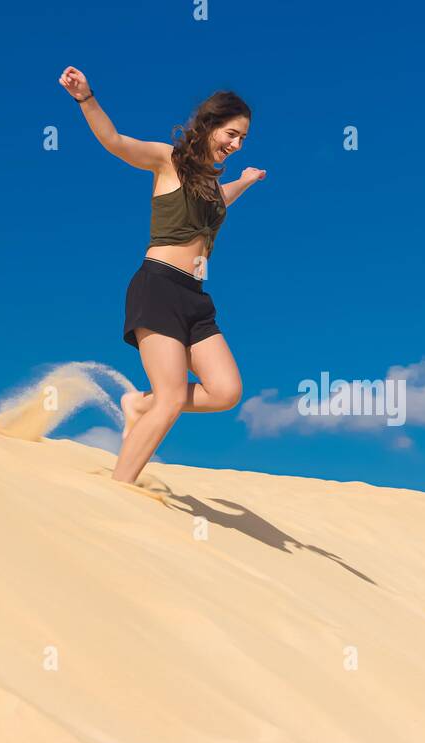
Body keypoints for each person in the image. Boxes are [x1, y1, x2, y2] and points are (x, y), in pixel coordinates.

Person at [59, 66, 266, 484]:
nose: (237, 143)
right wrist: (86, 98)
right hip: (157, 287)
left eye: (243, 138)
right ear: (210, 125)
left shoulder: (212, 187)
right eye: (231, 133)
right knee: (171, 400)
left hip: (195, 298)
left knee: (225, 391)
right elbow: (116, 143)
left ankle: (139, 404)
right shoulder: (168, 161)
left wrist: (244, 182)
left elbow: (217, 204)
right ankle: (120, 489)